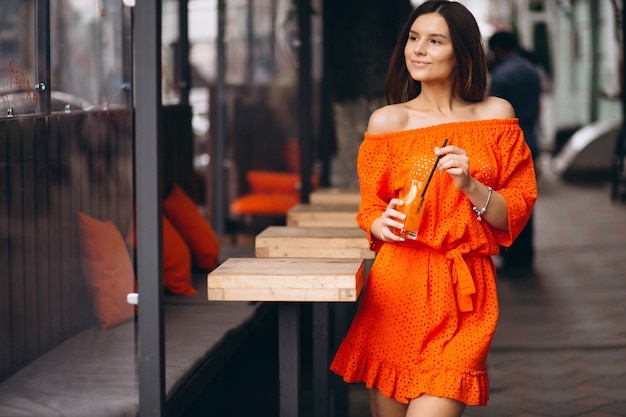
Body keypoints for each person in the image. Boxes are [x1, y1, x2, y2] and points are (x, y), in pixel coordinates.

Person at [329, 2, 537, 417]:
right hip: (396, 288)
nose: (417, 50)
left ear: (461, 52)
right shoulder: (388, 122)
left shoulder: (496, 116)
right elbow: (371, 203)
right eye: (413, 38)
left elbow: (517, 208)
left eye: (434, 40)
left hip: (465, 294)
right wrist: (379, 222)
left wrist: (470, 185)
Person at [488, 31, 542, 271]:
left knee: (508, 201)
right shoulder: (531, 70)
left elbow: (493, 116)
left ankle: (513, 258)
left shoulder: (501, 75)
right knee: (526, 198)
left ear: (498, 48)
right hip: (531, 135)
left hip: (508, 141)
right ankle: (526, 255)